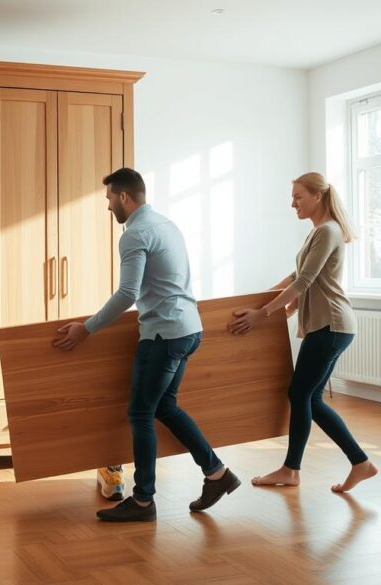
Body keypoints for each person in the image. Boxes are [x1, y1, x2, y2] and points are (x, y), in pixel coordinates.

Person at [54, 167, 239, 522]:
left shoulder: (135, 233)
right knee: (165, 407)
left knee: (141, 413)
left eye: (109, 198)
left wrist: (87, 329)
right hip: (188, 329)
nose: (108, 206)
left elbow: (128, 292)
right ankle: (217, 473)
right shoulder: (167, 224)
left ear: (124, 196)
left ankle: (142, 501)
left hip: (164, 335)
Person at [227, 172, 377, 493]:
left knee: (299, 394)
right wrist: (264, 300)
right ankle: (360, 463)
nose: (292, 203)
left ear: (317, 197)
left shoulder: (328, 232)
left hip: (331, 325)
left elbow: (304, 282)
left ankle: (291, 469)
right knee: (312, 398)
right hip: (330, 326)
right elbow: (299, 275)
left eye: (298, 197)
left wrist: (262, 314)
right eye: (293, 196)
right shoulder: (317, 233)